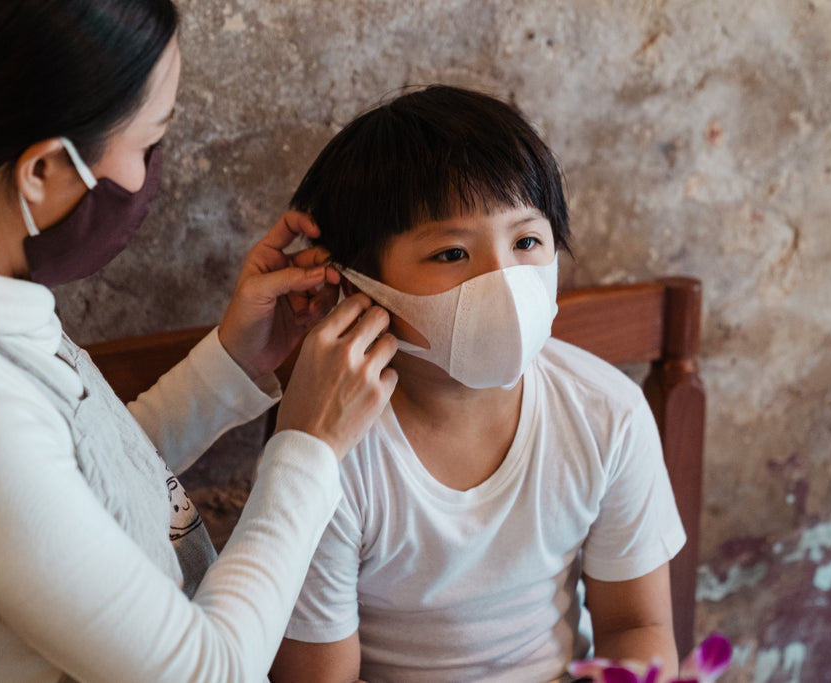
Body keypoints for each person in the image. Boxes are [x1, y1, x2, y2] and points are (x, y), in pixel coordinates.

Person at [0, 1, 398, 681]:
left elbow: (83, 480)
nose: (155, 171)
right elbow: (209, 671)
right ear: (42, 171)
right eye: (150, 142)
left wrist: (232, 360)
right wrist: (310, 446)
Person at [270, 85, 687, 683]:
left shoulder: (605, 414)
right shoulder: (331, 453)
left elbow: (635, 628)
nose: (504, 280)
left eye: (525, 242)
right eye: (450, 253)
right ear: (358, 285)